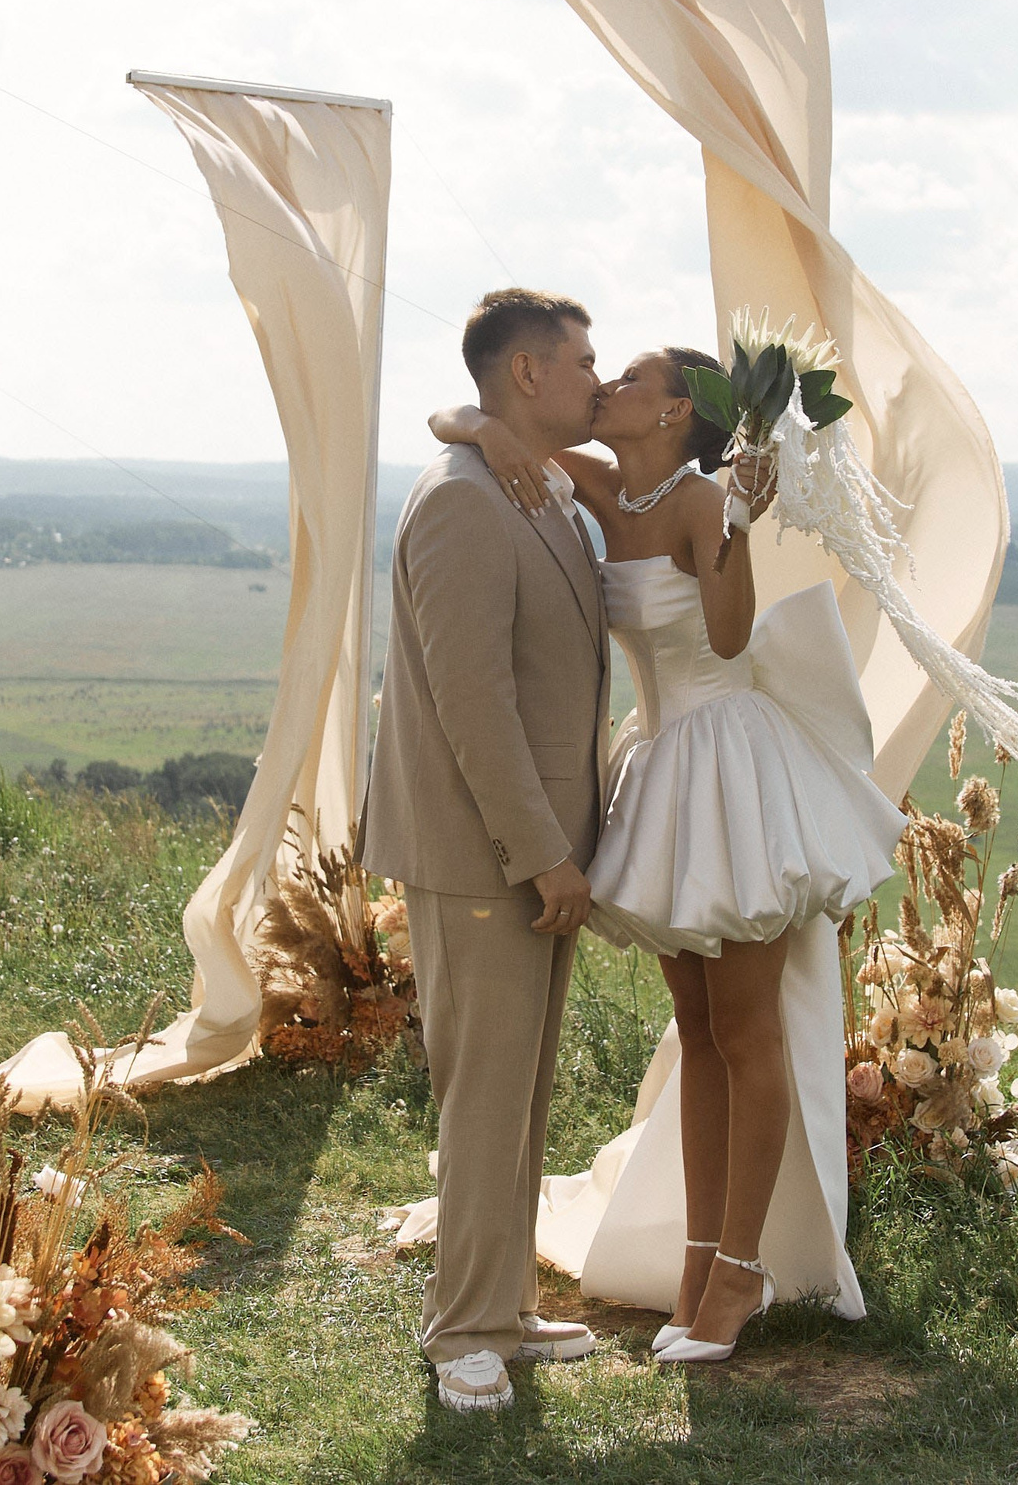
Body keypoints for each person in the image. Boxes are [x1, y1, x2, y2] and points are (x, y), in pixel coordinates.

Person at [430, 344, 904, 1362]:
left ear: (677, 409)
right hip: (661, 764)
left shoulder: (698, 499)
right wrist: (472, 427)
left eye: (632, 380)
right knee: (696, 1032)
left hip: (728, 765)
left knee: (744, 1030)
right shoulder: (601, 481)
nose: (608, 388)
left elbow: (729, 640)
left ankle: (740, 1274)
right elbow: (466, 424)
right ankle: (698, 1260)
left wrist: (734, 521)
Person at [358, 288, 610, 1414]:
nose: (598, 382)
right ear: (525, 374)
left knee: (520, 1092)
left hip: (535, 851)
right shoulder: (464, 499)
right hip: (484, 854)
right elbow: (474, 700)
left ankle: (502, 1306)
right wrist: (540, 850)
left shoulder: (527, 480)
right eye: (583, 363)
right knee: (480, 1093)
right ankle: (459, 1327)